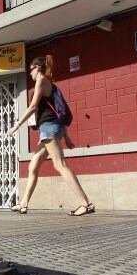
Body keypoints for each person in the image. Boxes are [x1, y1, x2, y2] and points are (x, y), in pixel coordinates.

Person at [7, 55, 95, 216]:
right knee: (33, 166)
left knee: (60, 165)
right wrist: (66, 137)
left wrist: (16, 126)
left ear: (38, 68)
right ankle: (24, 203)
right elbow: (57, 112)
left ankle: (86, 204)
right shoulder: (50, 85)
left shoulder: (41, 80)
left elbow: (33, 106)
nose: (30, 74)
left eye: (31, 70)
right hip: (53, 128)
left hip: (49, 128)